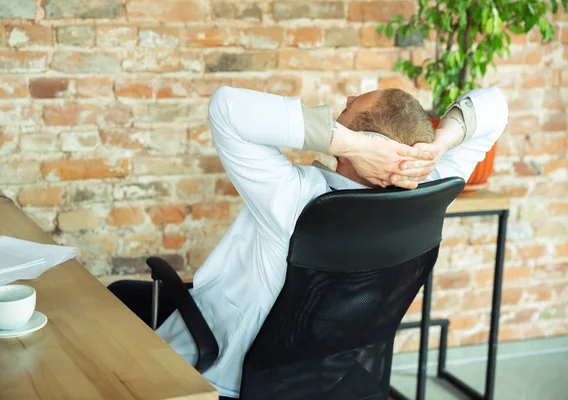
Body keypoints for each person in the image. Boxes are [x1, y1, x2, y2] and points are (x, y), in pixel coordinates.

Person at [108, 85, 508, 398]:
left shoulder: (294, 196)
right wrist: (439, 146)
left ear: (361, 145)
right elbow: (496, 106)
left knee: (115, 297)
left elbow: (227, 106)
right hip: (321, 374)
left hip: (227, 370)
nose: (345, 101)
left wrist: (354, 145)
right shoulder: (430, 190)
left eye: (350, 112)